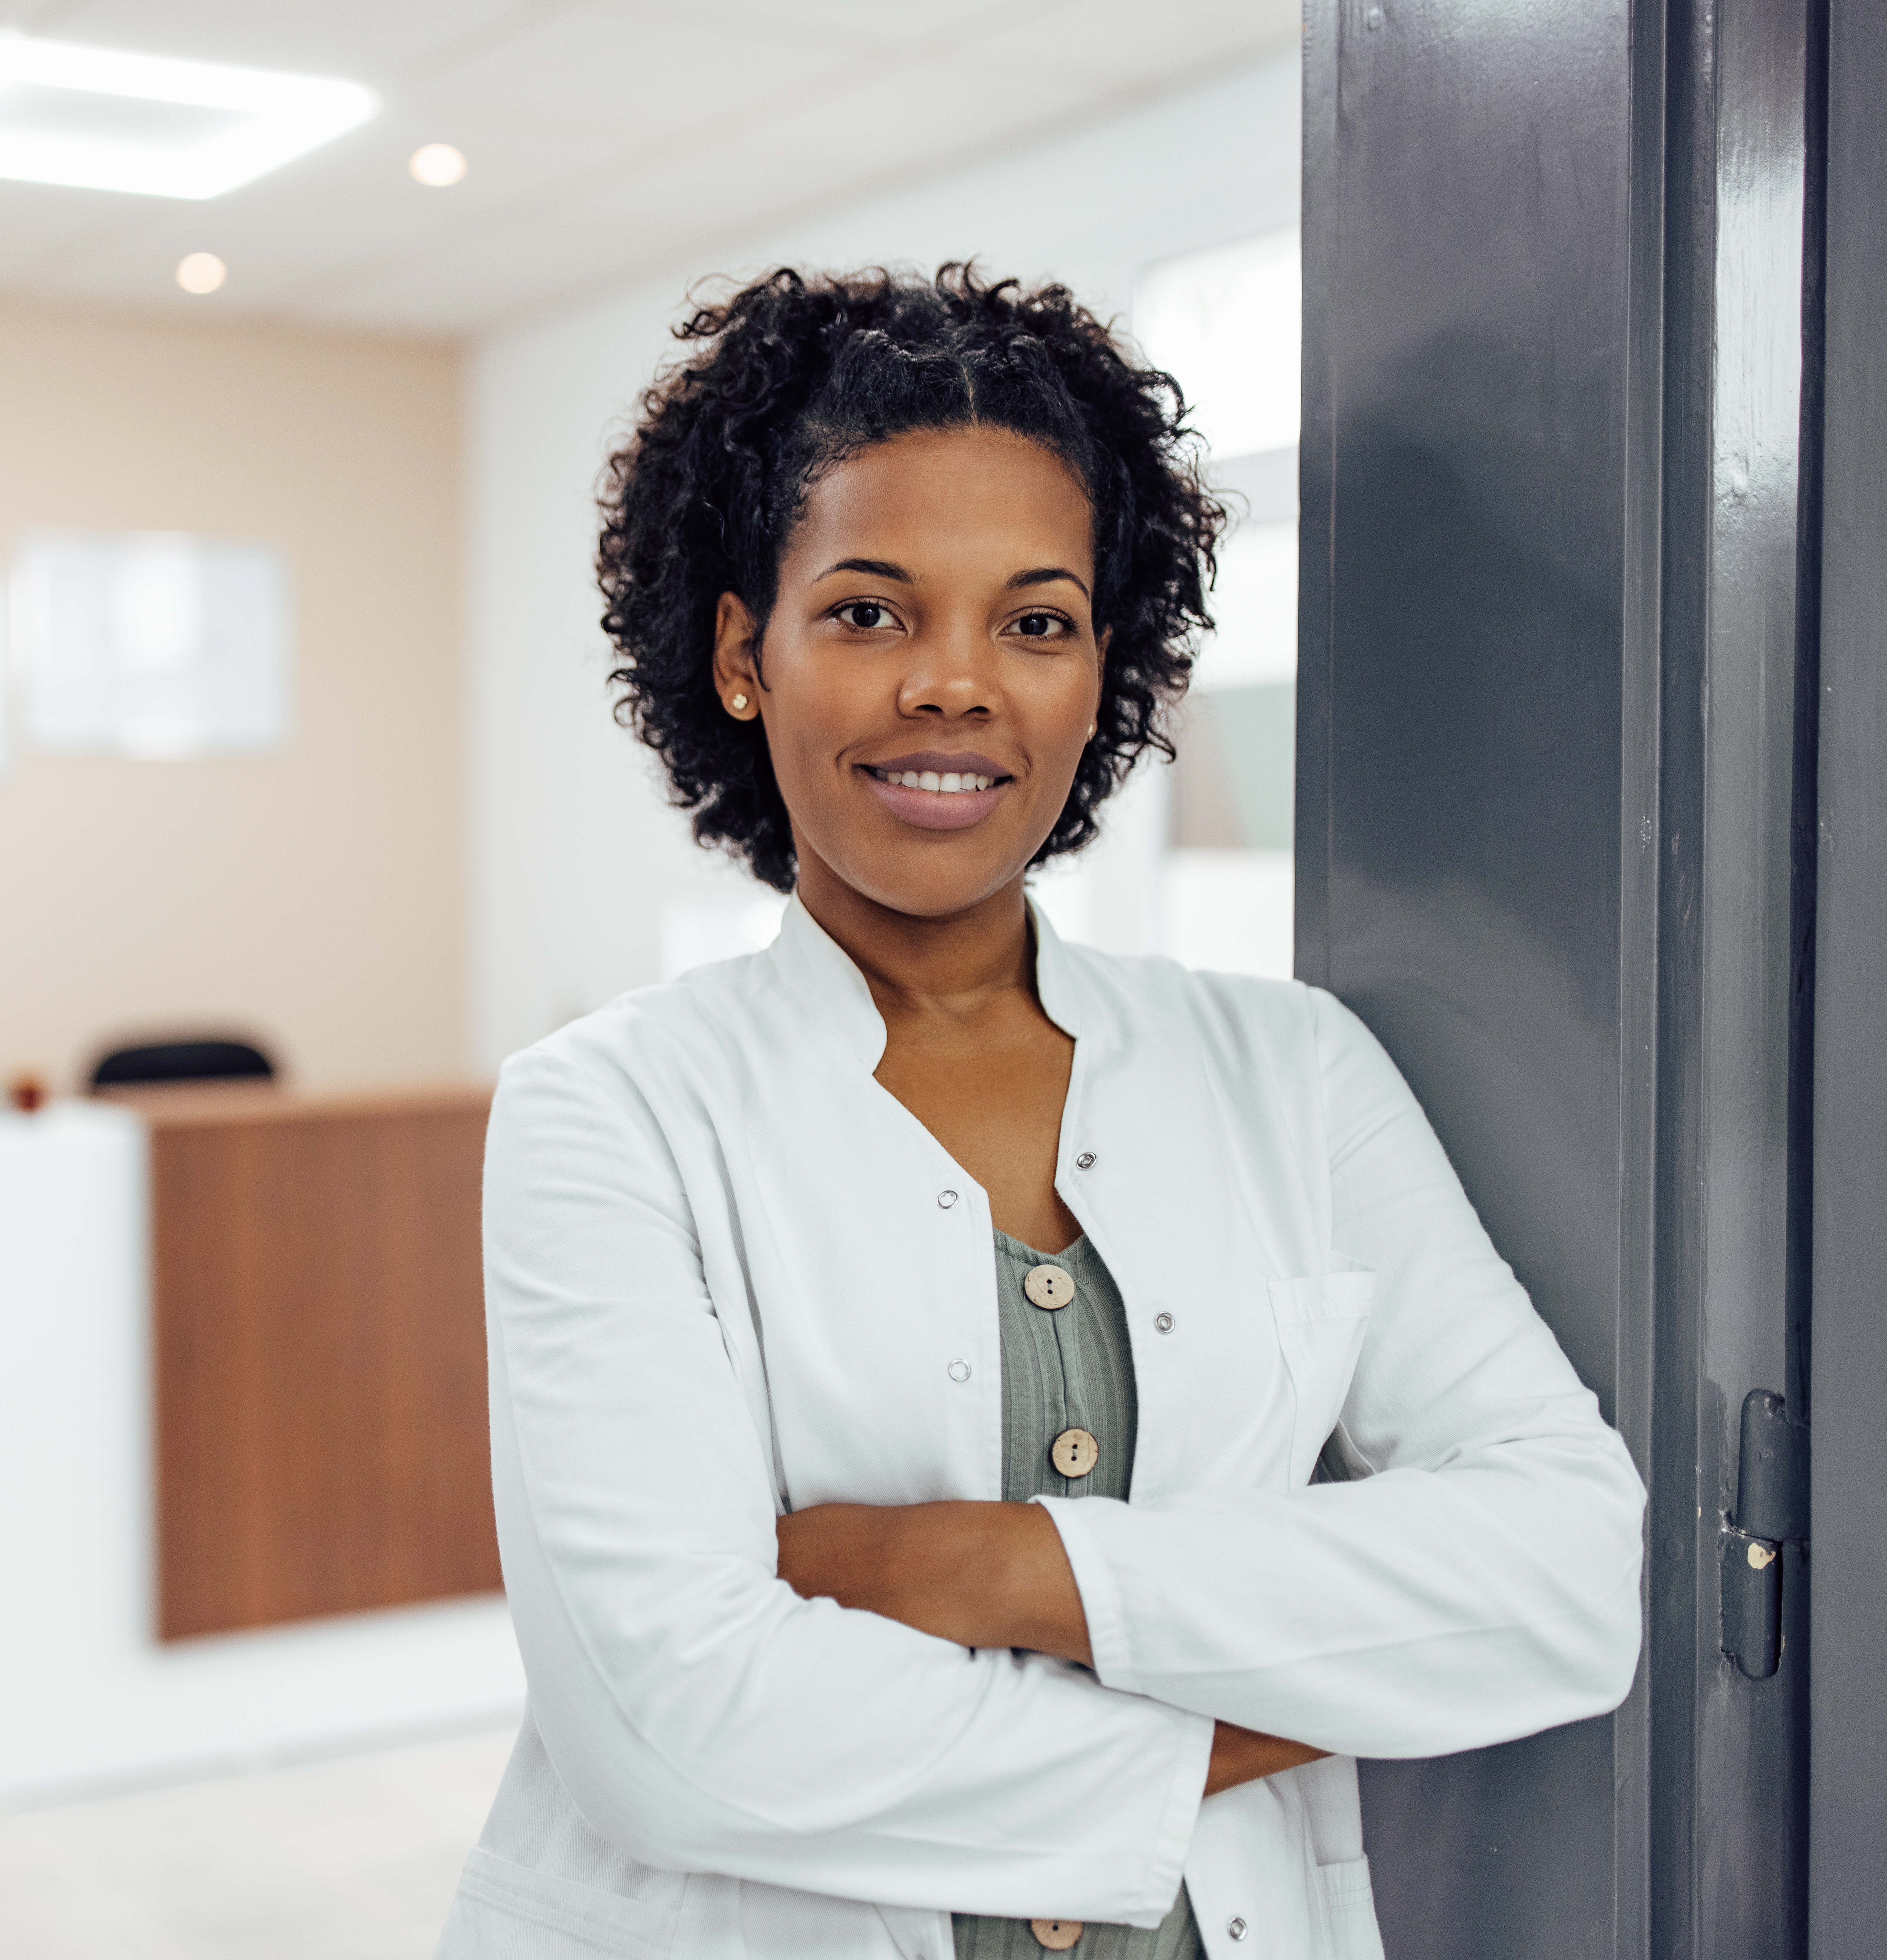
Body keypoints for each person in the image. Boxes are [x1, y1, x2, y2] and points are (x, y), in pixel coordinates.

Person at [436, 266, 1645, 1960]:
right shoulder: (610, 1111)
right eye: (867, 611)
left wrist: (989, 1568)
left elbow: (1568, 1575)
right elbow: (667, 1726)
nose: (954, 684)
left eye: (1035, 618)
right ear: (738, 653)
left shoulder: (1287, 1070)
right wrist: (1321, 1668)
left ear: (1103, 673)